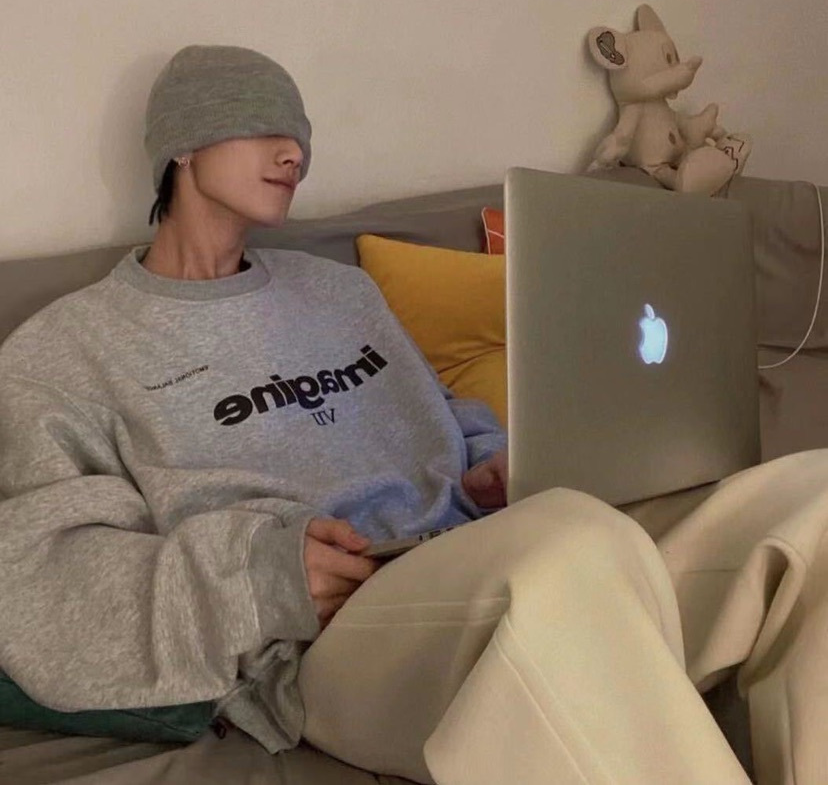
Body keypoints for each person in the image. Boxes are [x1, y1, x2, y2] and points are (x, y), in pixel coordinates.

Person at [0, 45, 757, 784]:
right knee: (576, 542)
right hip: (336, 633)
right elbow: (39, 579)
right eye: (261, 127)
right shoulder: (69, 348)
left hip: (489, 548)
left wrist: (494, 462)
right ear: (183, 144)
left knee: (795, 510)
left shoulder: (339, 292)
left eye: (299, 135)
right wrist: (260, 575)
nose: (293, 153)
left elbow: (441, 408)